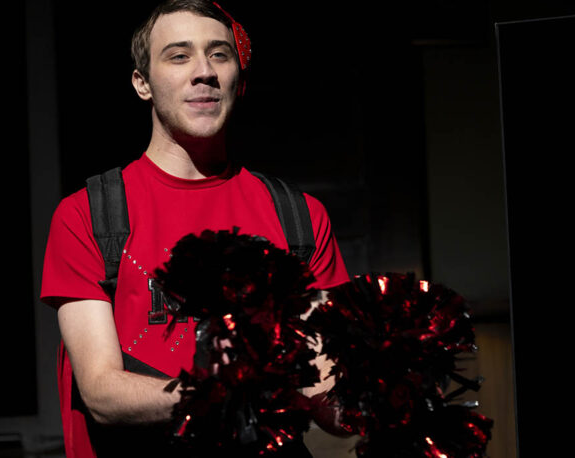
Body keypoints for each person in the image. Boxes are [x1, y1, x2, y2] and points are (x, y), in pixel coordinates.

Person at [40, 1, 350, 457]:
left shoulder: (299, 216)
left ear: (238, 81)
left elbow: (327, 396)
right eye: (179, 55)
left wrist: (389, 393)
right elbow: (102, 393)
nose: (204, 71)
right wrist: (227, 396)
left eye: (220, 54)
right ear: (141, 83)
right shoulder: (88, 214)